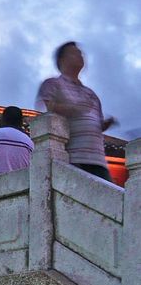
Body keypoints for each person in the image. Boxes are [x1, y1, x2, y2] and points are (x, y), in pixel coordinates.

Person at [35, 42, 116, 182]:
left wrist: (105, 125)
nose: (80, 55)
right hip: (74, 158)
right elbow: (44, 107)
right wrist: (72, 109)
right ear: (62, 60)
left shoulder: (90, 93)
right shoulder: (53, 84)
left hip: (98, 159)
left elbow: (97, 125)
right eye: (74, 53)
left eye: (81, 53)